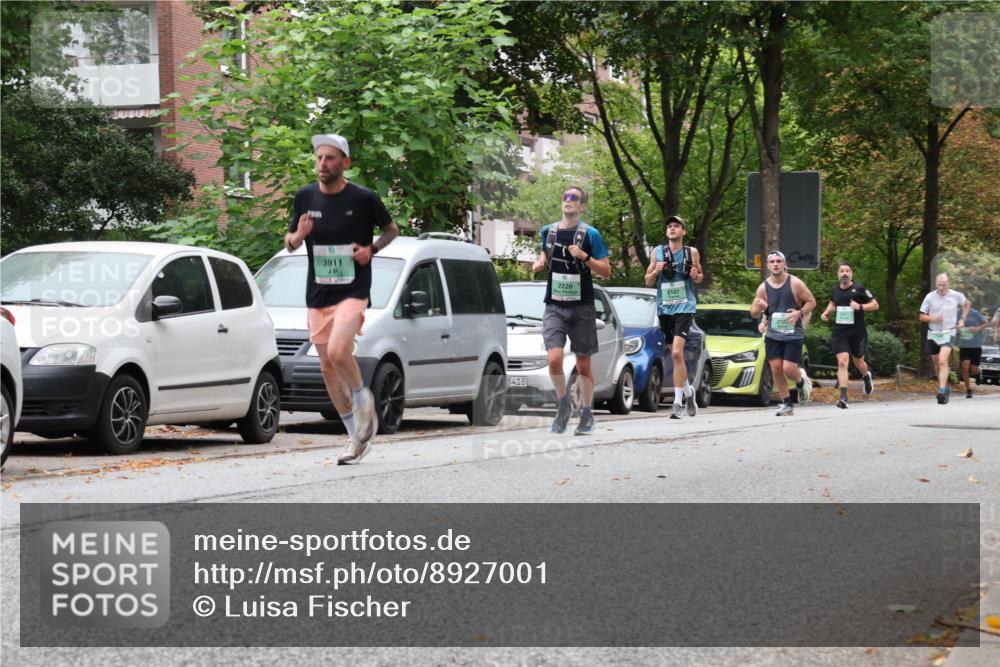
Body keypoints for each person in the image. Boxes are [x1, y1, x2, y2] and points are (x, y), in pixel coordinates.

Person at [284, 133, 399, 463]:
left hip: (353, 290)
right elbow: (289, 243)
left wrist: (371, 250)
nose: (322, 164)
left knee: (338, 351)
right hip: (318, 293)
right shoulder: (305, 197)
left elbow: (391, 230)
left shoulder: (363, 198)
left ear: (345, 162)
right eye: (319, 157)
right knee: (327, 368)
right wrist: (299, 235)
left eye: (330, 158)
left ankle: (363, 398)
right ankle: (356, 438)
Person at [531, 186, 611, 435]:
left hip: (582, 306)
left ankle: (587, 413)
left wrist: (585, 257)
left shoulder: (591, 234)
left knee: (583, 365)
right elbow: (544, 256)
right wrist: (539, 262)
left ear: (582, 206)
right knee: (554, 359)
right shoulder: (548, 232)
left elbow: (606, 271)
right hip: (555, 305)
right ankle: (564, 403)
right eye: (565, 197)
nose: (568, 200)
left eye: (574, 198)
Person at [644, 215, 704, 419]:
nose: (672, 229)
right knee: (675, 355)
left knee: (677, 352)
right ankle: (688, 392)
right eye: (669, 226)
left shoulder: (691, 252)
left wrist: (696, 276)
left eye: (676, 226)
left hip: (685, 307)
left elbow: (700, 276)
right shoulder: (657, 252)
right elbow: (648, 281)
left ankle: (677, 403)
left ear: (683, 231)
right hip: (665, 308)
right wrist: (656, 271)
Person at [749, 251, 817, 416]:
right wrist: (759, 307)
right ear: (768, 265)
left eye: (779, 261)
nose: (776, 264)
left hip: (793, 334)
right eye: (772, 261)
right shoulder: (763, 287)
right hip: (773, 334)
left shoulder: (795, 283)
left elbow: (812, 302)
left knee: (788, 369)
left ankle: (800, 380)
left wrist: (799, 313)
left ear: (784, 264)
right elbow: (754, 313)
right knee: (776, 368)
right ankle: (787, 403)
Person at [819, 262, 878, 409]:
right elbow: (833, 303)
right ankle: (843, 397)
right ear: (838, 274)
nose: (844, 273)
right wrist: (826, 312)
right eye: (841, 271)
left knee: (859, 362)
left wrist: (860, 306)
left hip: (857, 332)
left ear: (851, 274)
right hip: (840, 331)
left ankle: (866, 376)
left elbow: (875, 304)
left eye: (847, 271)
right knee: (842, 361)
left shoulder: (860, 289)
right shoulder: (835, 290)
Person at [918, 273, 969, 405]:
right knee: (937, 365)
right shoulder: (929, 297)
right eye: (939, 285)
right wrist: (933, 318)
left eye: (944, 285)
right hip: (933, 333)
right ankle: (945, 387)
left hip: (948, 332)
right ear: (936, 284)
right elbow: (921, 316)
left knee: (942, 360)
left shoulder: (956, 295)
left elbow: (967, 304)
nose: (941, 288)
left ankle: (941, 391)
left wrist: (962, 319)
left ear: (948, 284)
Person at [956, 302, 989, 398]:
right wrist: (958, 328)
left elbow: (986, 323)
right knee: (965, 366)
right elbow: (953, 326)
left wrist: (977, 328)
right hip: (963, 344)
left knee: (974, 368)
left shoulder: (975, 313)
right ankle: (968, 389)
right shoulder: (958, 313)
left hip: (975, 344)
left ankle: (979, 373)